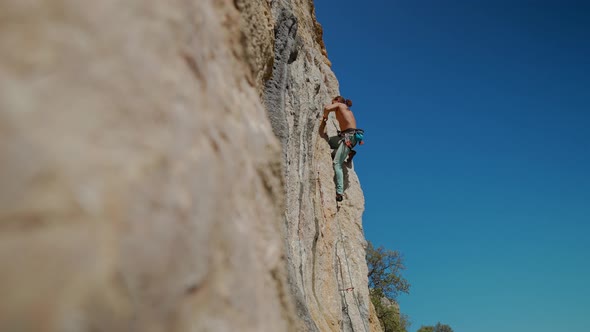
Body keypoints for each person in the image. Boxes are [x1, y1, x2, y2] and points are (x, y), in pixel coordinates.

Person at [319, 96, 364, 202]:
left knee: (337, 163)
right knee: (329, 142)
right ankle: (349, 152)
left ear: (337, 101)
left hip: (348, 137)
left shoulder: (340, 105)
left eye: (333, 101)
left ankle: (339, 192)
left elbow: (327, 108)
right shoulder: (347, 110)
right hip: (351, 137)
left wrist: (325, 118)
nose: (332, 103)